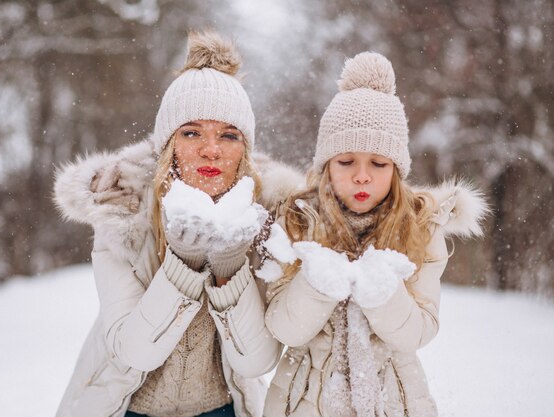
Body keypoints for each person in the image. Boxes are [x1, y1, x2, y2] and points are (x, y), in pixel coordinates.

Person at [53, 31, 302, 417]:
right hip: (127, 407)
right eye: (192, 132)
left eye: (228, 135)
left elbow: (256, 362)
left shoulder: (267, 221)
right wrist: (183, 263)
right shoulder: (123, 214)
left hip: (223, 408)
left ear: (245, 149)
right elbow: (136, 351)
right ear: (168, 144)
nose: (211, 149)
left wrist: (229, 267)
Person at [260, 52, 488, 417]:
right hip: (302, 402)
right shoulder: (297, 222)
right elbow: (283, 329)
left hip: (394, 404)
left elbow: (420, 331)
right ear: (326, 166)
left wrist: (384, 295)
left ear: (397, 169)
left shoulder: (420, 229)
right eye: (346, 161)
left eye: (378, 163)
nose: (362, 176)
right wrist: (316, 285)